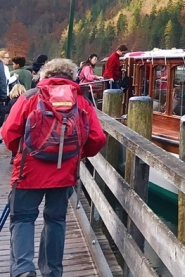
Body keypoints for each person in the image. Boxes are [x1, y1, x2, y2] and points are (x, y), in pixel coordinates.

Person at [1, 58, 106, 277]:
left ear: (45, 75)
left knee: (23, 219)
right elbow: (97, 138)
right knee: (56, 220)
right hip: (64, 174)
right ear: (72, 76)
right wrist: (76, 154)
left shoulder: (30, 97)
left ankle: (23, 269)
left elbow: (9, 133)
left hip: (28, 172)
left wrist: (22, 150)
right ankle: (52, 271)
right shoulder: (81, 101)